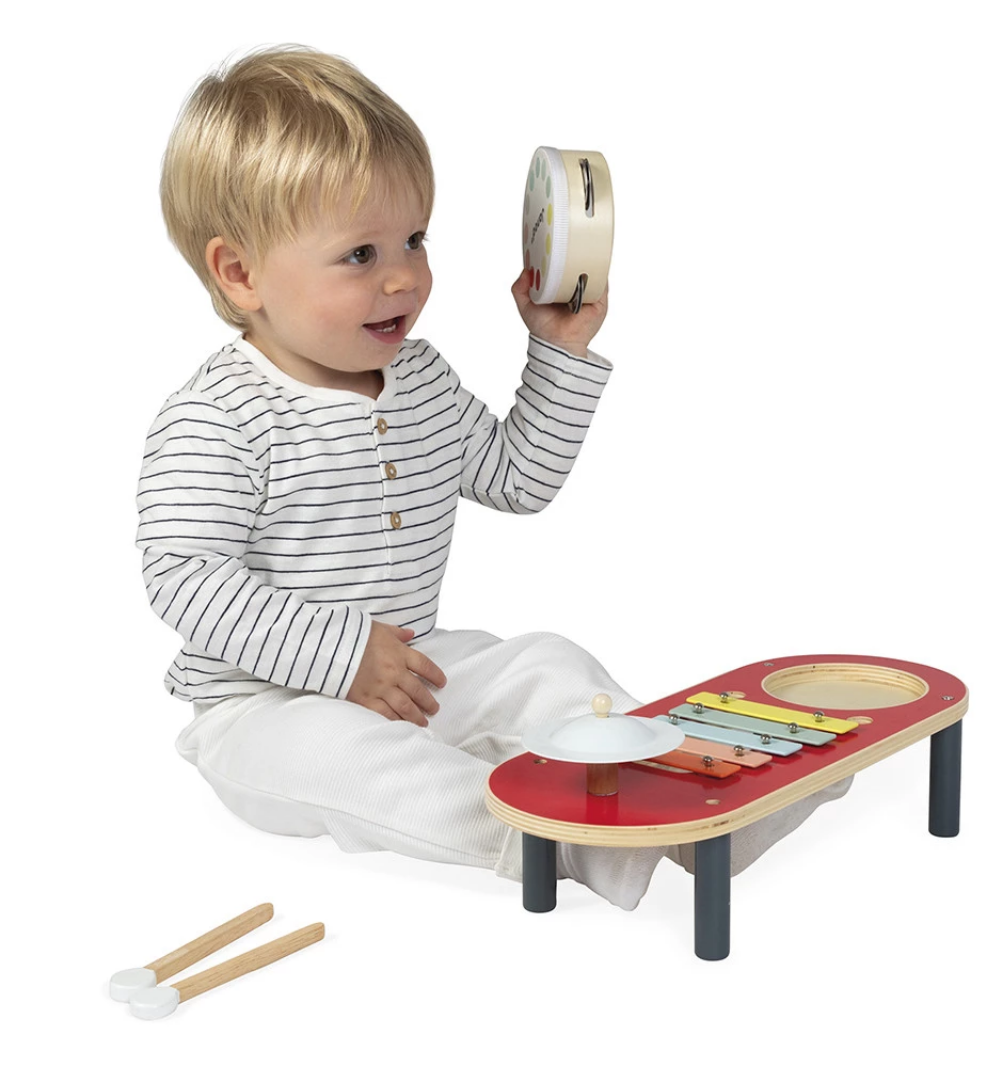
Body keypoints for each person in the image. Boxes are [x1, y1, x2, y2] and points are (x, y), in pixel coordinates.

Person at [137, 45, 851, 912]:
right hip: (263, 708)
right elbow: (182, 576)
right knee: (371, 768)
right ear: (240, 273)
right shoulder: (218, 415)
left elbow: (516, 479)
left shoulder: (421, 379)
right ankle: (572, 845)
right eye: (359, 253)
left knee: (543, 663)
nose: (404, 273)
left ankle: (689, 785)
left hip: (411, 664)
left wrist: (557, 348)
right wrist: (339, 653)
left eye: (414, 237)